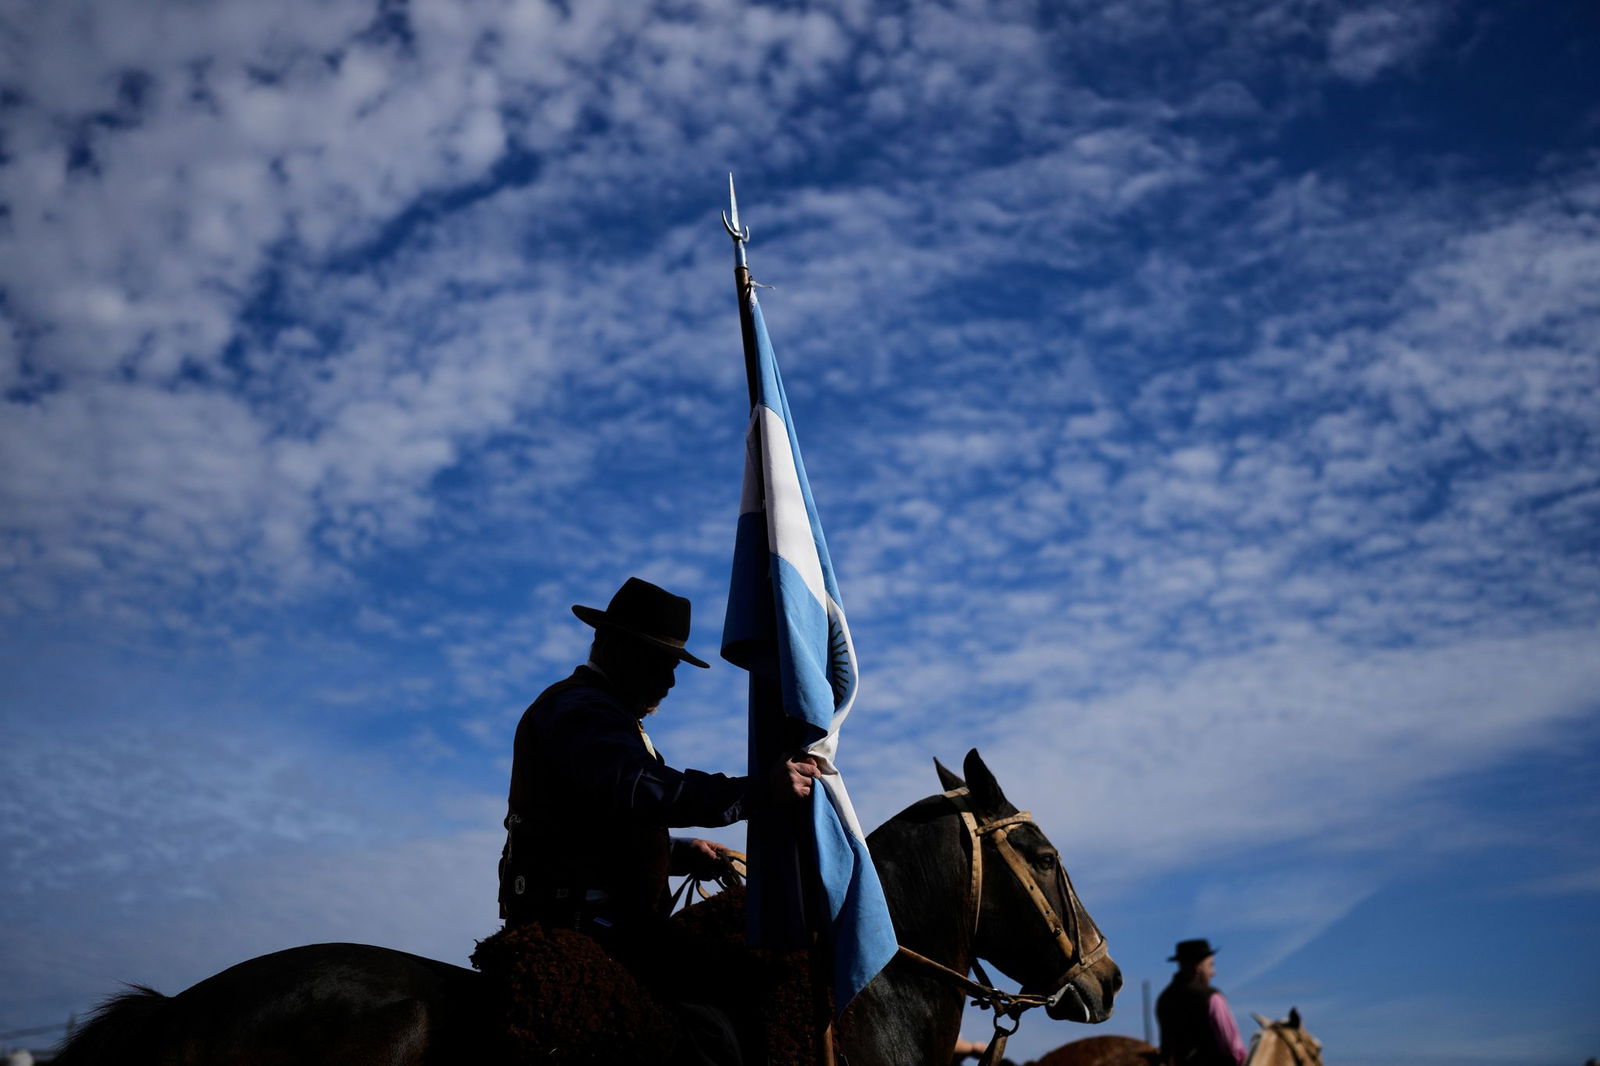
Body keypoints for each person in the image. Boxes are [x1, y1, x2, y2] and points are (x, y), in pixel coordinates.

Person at [497, 577, 820, 1064]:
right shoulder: (582, 711)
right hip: (588, 928)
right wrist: (760, 791)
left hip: (597, 920)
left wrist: (672, 854)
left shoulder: (597, 713)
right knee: (721, 1029)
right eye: (660, 662)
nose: (670, 682)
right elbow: (641, 788)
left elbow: (593, 826)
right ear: (613, 646)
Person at [1155, 938, 1248, 1066]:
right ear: (1198, 967)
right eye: (1210, 965)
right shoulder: (1211, 998)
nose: (1213, 972)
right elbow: (1233, 1049)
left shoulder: (1164, 998)